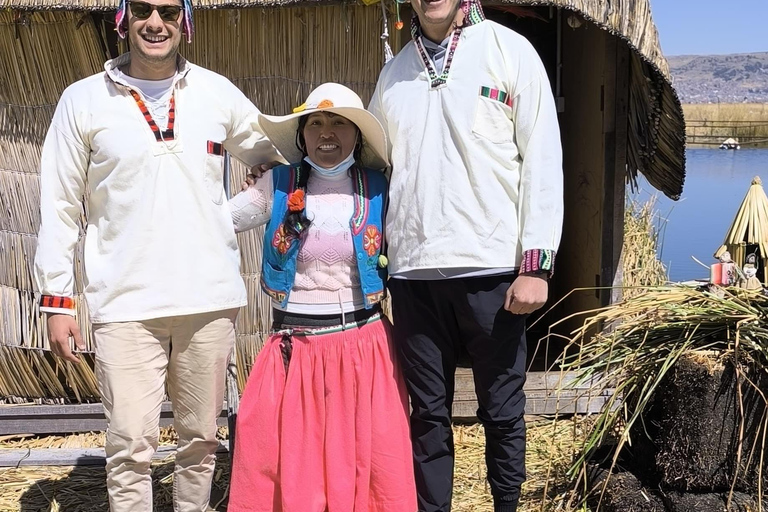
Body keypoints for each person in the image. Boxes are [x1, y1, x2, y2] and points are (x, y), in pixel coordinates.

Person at [32, 0, 282, 508]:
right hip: (125, 304)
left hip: (207, 299)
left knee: (202, 442)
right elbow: (58, 203)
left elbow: (274, 158)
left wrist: (233, 215)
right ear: (123, 19)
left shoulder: (214, 93)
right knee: (129, 446)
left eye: (168, 12)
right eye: (143, 9)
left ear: (184, 22)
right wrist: (57, 298)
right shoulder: (83, 101)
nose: (155, 23)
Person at [368, 0, 564, 510]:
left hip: (493, 271)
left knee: (501, 410)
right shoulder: (393, 75)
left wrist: (536, 265)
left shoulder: (509, 51)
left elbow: (542, 157)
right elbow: (372, 168)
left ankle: (505, 506)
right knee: (427, 414)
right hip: (413, 274)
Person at [226, 83, 416, 512]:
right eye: (315, 122)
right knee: (294, 466)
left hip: (365, 348)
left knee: (370, 467)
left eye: (339, 122)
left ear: (357, 134)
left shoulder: (380, 188)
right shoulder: (278, 184)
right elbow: (219, 222)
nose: (326, 131)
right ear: (302, 134)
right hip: (297, 349)